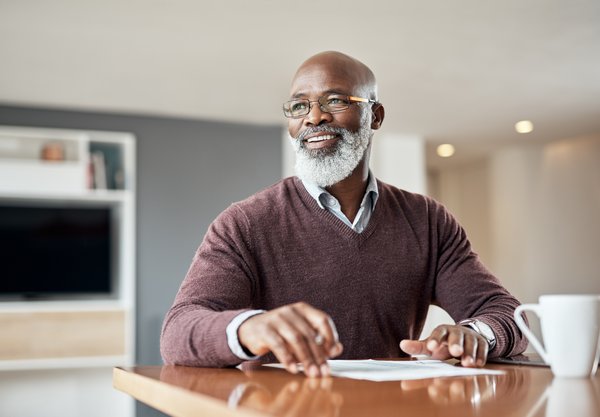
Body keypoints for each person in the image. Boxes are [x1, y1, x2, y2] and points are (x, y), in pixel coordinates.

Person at [160, 51, 527, 378]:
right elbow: (178, 332)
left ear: (375, 116)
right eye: (299, 106)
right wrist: (250, 328)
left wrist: (477, 335)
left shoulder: (428, 221)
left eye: (334, 100)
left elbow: (508, 313)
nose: (314, 117)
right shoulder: (245, 223)